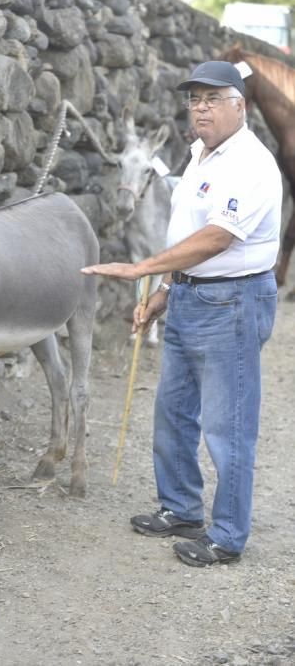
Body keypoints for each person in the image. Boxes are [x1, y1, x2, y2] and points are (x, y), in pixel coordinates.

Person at [82, 61, 282, 567]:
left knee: (227, 426)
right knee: (173, 413)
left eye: (213, 99)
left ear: (241, 104)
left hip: (233, 302)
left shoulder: (251, 163)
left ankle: (227, 536)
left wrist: (141, 269)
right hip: (190, 296)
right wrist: (163, 291)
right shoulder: (198, 156)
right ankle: (180, 507)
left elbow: (218, 238)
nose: (201, 108)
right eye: (194, 99)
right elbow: (187, 240)